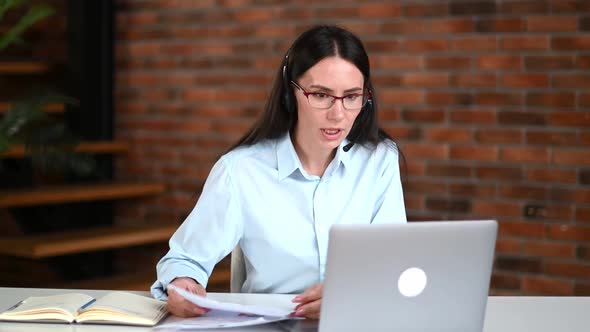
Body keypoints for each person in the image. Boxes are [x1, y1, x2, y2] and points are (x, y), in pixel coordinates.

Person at [151, 25, 407, 319]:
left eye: (351, 97)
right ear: (290, 93)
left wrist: (348, 295)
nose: (338, 114)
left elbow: (393, 263)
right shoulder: (241, 171)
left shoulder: (379, 161)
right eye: (321, 95)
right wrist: (183, 283)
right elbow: (184, 259)